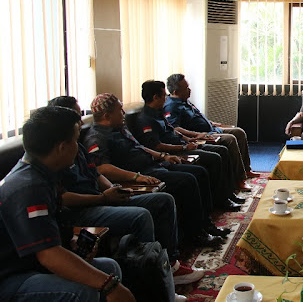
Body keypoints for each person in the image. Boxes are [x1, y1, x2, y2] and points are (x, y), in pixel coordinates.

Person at [48, 96, 204, 289]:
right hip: (86, 208)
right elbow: (64, 198)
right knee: (141, 216)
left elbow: (96, 173)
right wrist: (104, 197)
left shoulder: (77, 146)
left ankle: (170, 263)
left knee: (163, 200)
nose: (81, 121)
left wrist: (112, 189)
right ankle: (154, 281)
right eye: (77, 116)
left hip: (104, 196)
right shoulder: (61, 153)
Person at [0, 106, 134, 302]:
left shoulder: (41, 174)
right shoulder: (29, 187)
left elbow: (45, 231)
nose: (77, 146)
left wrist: (70, 240)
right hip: (13, 276)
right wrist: (110, 286)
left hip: (32, 262)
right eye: (75, 140)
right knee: (83, 291)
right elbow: (48, 255)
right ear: (62, 147)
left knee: (109, 267)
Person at [83, 93, 228, 247]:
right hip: (140, 175)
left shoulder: (119, 129)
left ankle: (205, 224)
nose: (123, 113)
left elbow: (139, 147)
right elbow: (103, 168)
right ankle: (196, 234)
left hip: (153, 165)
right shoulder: (96, 138)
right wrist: (136, 177)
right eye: (120, 110)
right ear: (107, 116)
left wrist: (163, 156)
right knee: (187, 181)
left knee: (199, 172)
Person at [135, 80, 245, 211]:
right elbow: (156, 146)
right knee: (214, 158)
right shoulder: (146, 119)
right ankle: (221, 200)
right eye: (164, 95)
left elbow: (173, 130)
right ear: (155, 97)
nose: (166, 97)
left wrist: (190, 139)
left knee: (222, 151)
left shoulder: (158, 112)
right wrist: (183, 147)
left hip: (184, 145)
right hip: (175, 151)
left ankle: (227, 193)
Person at [164, 73, 258, 188]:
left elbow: (197, 117)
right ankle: (239, 179)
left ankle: (246, 169)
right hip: (202, 136)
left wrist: (212, 123)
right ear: (175, 92)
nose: (189, 90)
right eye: (186, 88)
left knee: (239, 132)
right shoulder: (171, 106)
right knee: (230, 139)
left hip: (212, 129)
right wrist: (197, 134)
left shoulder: (184, 101)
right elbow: (175, 128)